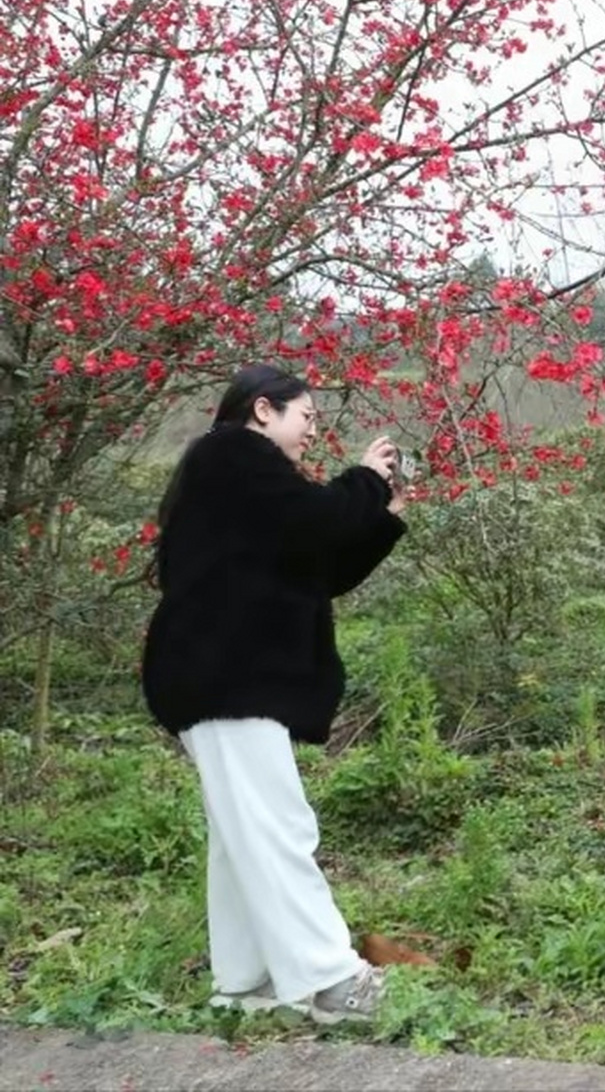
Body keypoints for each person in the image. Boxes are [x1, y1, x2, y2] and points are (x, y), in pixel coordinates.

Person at [141, 363, 408, 1024]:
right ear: (263, 410)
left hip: (216, 674)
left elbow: (320, 569)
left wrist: (384, 516)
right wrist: (366, 477)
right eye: (306, 417)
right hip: (222, 675)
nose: (311, 432)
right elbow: (317, 518)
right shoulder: (229, 451)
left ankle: (247, 982)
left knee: (243, 835)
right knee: (278, 824)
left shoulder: (243, 487)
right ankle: (332, 980)